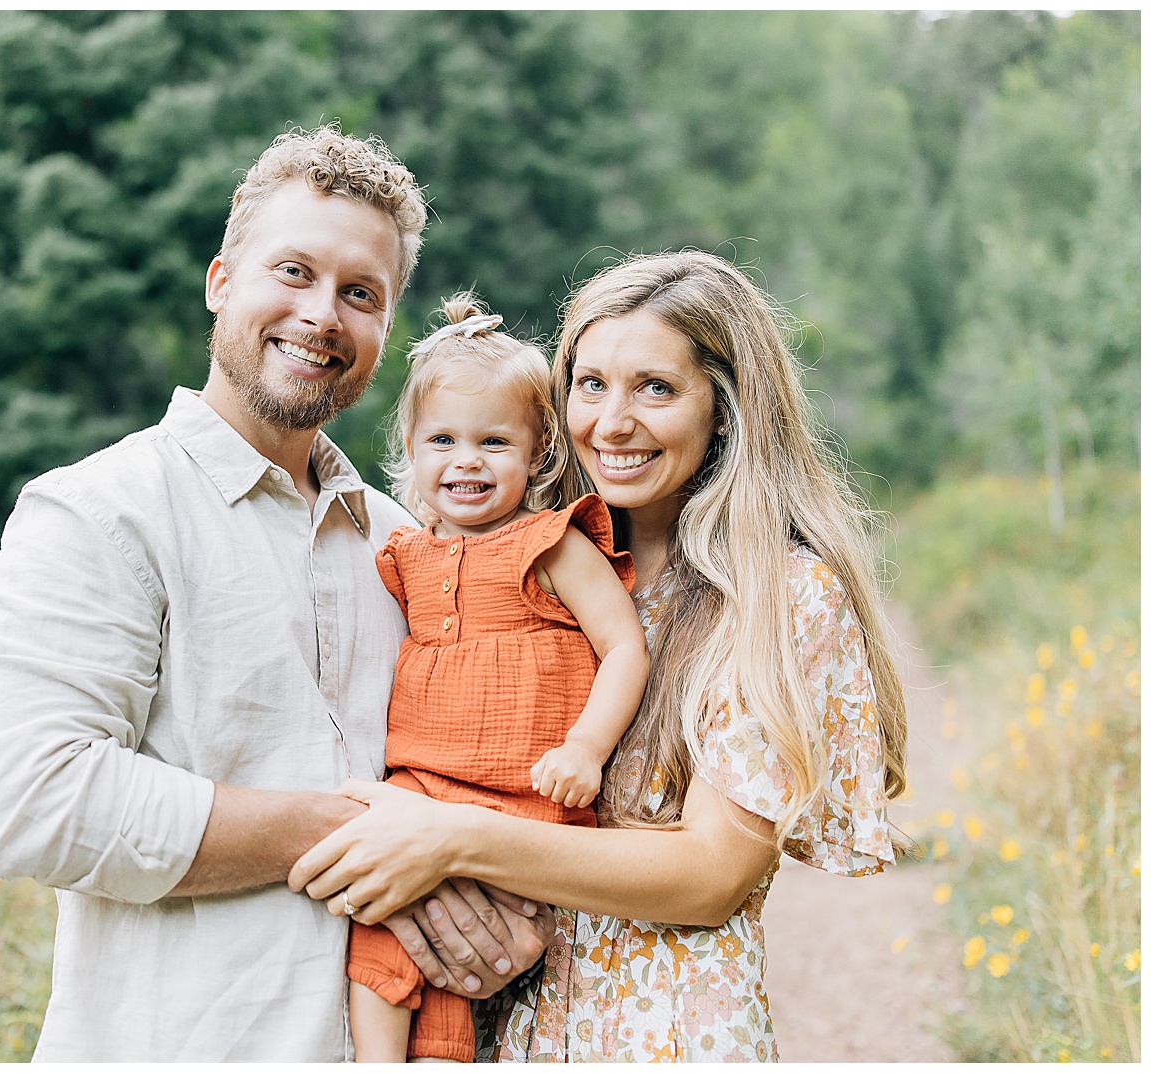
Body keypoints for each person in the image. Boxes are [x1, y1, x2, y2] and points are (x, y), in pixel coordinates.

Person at [0, 125, 548, 1063]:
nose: (323, 316)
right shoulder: (100, 512)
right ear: (221, 281)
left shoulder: (407, 543)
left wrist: (489, 875)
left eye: (361, 293)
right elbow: (28, 798)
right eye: (294, 272)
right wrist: (358, 836)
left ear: (386, 329)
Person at [290, 249, 910, 1061]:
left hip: (665, 1031)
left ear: (724, 408)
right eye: (591, 384)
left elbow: (710, 873)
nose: (612, 422)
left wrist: (449, 836)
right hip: (514, 1021)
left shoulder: (780, 593)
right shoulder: (534, 556)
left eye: (656, 388)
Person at [346, 294, 650, 1062]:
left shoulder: (551, 543)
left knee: (465, 956)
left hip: (519, 806)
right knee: (383, 939)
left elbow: (623, 646)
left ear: (539, 450)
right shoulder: (401, 553)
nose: (466, 460)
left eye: (493, 441)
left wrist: (585, 747)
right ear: (411, 447)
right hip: (421, 791)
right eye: (442, 439)